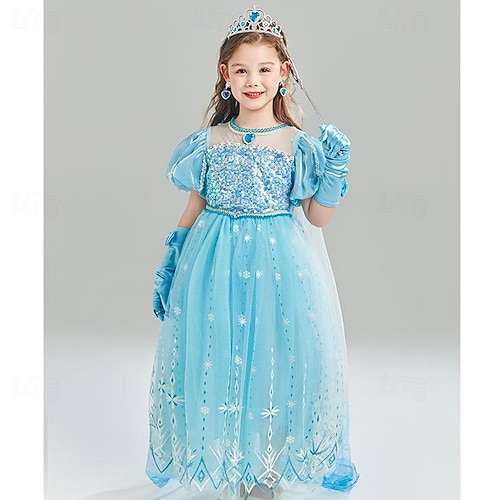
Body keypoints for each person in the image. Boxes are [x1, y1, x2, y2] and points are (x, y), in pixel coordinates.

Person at [146, 6, 359, 499]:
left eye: (264, 69)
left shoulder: (297, 144)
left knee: (271, 356)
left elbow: (317, 217)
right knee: (216, 354)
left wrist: (334, 171)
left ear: (284, 73)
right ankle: (230, 463)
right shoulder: (209, 142)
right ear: (225, 75)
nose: (253, 81)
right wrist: (171, 260)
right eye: (242, 71)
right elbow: (194, 205)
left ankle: (264, 466)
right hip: (212, 263)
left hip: (278, 265)